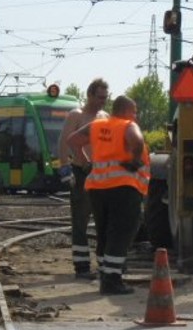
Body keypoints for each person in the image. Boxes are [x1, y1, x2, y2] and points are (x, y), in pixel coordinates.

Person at [71, 95, 149, 295]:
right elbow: (137, 141)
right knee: (122, 232)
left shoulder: (97, 126)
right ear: (125, 111)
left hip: (98, 187)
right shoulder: (127, 125)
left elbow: (73, 141)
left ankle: (106, 275)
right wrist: (133, 161)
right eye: (134, 111)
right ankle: (112, 281)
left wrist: (86, 163)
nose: (135, 115)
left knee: (104, 232)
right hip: (124, 187)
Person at [56, 78, 109, 280]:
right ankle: (82, 266)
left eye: (105, 97)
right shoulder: (76, 115)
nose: (102, 101)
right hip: (81, 172)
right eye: (99, 97)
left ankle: (104, 264)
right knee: (80, 220)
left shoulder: (105, 116)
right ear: (90, 95)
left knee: (103, 219)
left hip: (102, 173)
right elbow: (65, 141)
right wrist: (64, 168)